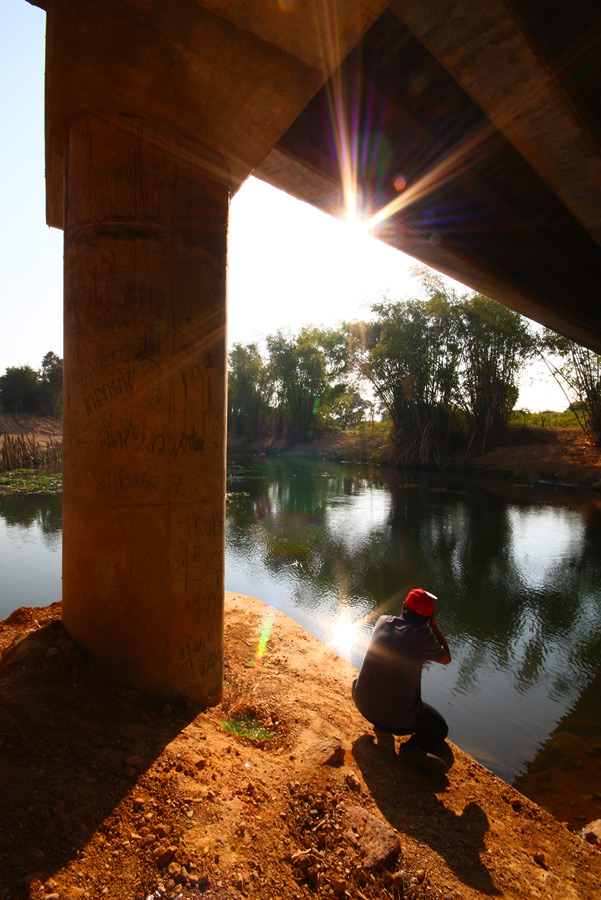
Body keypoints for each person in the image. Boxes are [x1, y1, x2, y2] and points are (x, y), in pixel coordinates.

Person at [352, 588, 452, 773]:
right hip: (398, 723)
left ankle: (380, 724)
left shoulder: (383, 621)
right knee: (439, 726)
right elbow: (446, 657)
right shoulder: (424, 637)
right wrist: (434, 625)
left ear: (404, 606)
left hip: (362, 703)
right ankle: (411, 748)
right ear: (428, 617)